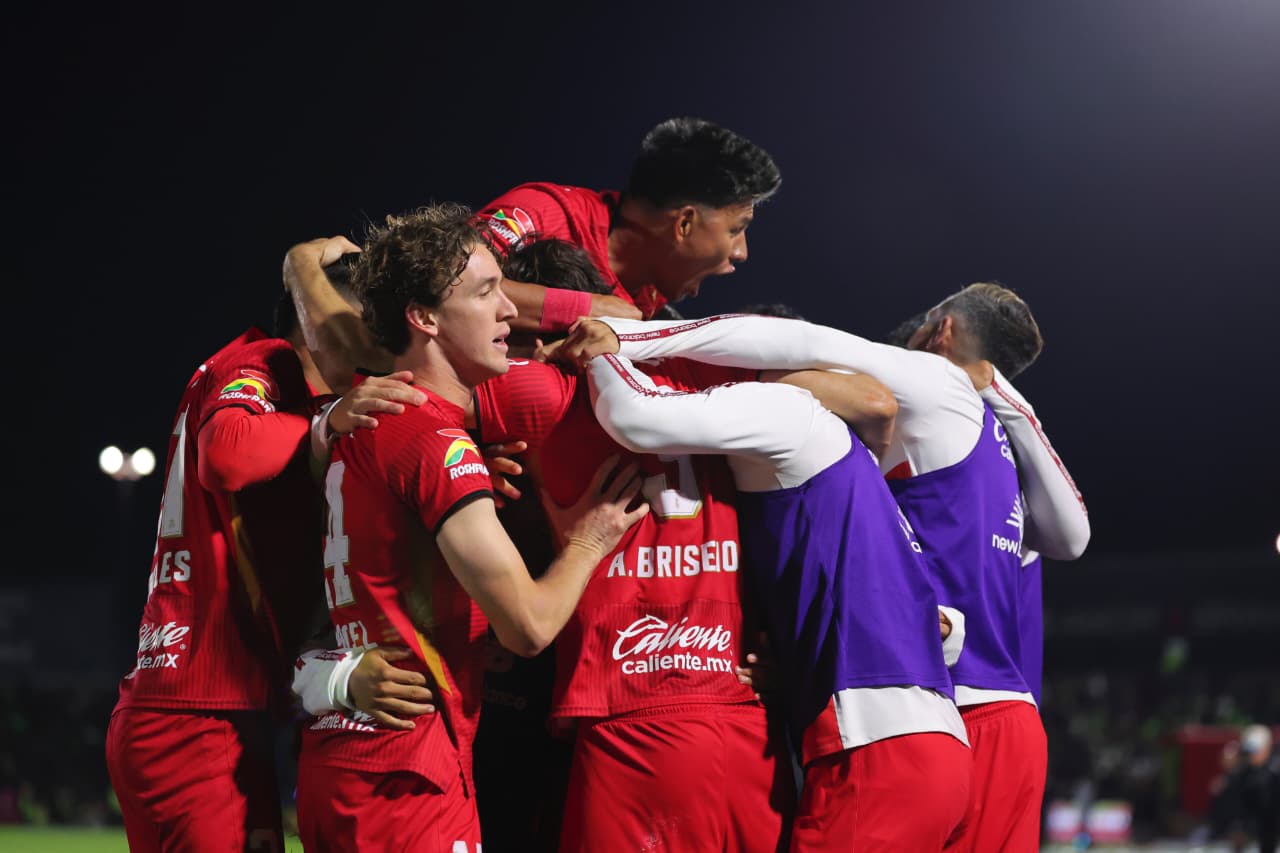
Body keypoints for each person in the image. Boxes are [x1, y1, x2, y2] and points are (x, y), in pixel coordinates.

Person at [564, 283, 1089, 852]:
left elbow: (793, 347)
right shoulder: (975, 472)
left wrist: (622, 340)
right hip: (961, 724)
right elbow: (983, 601)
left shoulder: (922, 391)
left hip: (902, 734)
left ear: (941, 332)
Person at [291, 204, 648, 852]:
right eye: (486, 293)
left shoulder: (361, 421)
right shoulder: (435, 442)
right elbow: (529, 625)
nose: (510, 311)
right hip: (408, 777)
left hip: (342, 757)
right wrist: (590, 540)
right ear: (424, 318)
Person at [545, 326, 975, 850]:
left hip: (876, 753)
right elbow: (945, 631)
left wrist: (605, 351)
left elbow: (636, 416)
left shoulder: (783, 411)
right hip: (935, 748)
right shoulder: (851, 476)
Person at [104, 247, 426, 852]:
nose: (384, 348)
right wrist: (327, 424)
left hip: (227, 709)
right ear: (322, 323)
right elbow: (226, 454)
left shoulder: (305, 400)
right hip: (193, 709)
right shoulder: (263, 359)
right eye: (372, 328)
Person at [476, 116, 781, 332]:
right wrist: (586, 308)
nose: (741, 253)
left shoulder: (654, 300)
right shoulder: (542, 212)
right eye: (736, 229)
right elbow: (455, 282)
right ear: (685, 224)